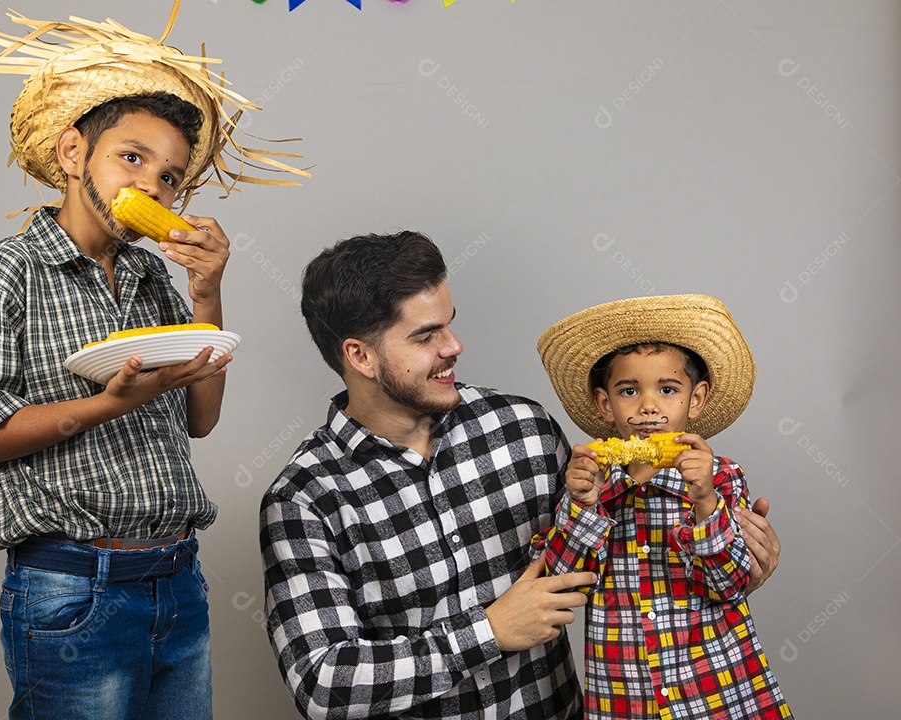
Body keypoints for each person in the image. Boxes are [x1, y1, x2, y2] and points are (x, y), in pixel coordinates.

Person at [0, 7, 303, 719]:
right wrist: (110, 403)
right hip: (75, 587)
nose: (154, 188)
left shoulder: (153, 279)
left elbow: (201, 416)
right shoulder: (4, 275)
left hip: (177, 578)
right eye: (130, 158)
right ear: (74, 154)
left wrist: (207, 291)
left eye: (168, 178)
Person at [260, 236, 781, 720]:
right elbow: (322, 683)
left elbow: (626, 545)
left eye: (449, 323)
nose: (454, 345)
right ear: (360, 356)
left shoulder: (524, 430)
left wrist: (736, 559)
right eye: (426, 336)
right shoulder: (305, 499)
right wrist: (486, 631)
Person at [536, 295, 792, 720]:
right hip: (625, 700)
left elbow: (729, 585)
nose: (648, 406)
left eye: (668, 389)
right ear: (605, 404)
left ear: (696, 399)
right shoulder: (588, 489)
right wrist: (583, 506)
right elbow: (563, 588)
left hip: (719, 694)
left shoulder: (723, 479)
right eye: (629, 390)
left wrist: (706, 501)